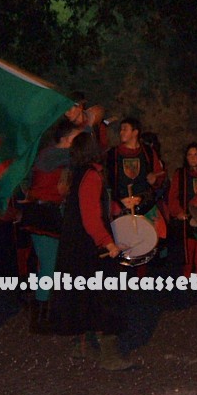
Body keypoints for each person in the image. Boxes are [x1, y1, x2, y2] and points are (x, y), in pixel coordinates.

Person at [49, 132, 133, 370]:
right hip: (90, 249)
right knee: (104, 296)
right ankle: (108, 354)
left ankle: (83, 345)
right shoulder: (92, 175)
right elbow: (90, 216)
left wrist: (118, 208)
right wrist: (108, 243)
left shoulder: (81, 173)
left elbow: (96, 204)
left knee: (83, 295)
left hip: (78, 247)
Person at [21, 119, 80, 332]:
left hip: (48, 212)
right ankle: (40, 318)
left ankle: (43, 311)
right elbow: (76, 157)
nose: (78, 143)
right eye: (75, 139)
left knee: (48, 264)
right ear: (65, 140)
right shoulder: (51, 155)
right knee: (49, 265)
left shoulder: (55, 157)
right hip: (43, 213)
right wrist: (90, 125)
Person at [168, 143, 197, 277]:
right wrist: (178, 212)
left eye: (196, 154)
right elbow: (173, 196)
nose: (193, 158)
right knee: (188, 249)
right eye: (189, 155)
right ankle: (185, 279)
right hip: (187, 217)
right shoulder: (180, 174)